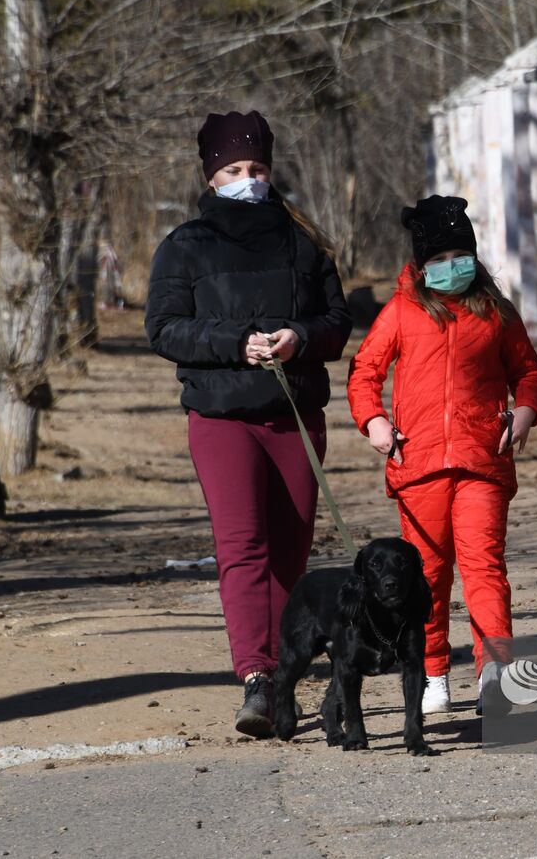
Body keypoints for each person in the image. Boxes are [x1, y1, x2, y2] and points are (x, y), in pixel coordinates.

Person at [144, 109, 352, 737]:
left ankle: (288, 667)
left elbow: (338, 321)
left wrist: (298, 336)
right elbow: (164, 328)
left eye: (256, 168)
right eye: (233, 170)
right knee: (243, 548)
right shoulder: (184, 246)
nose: (247, 179)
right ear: (210, 177)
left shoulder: (303, 242)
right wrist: (237, 342)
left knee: (292, 549)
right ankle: (256, 678)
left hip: (293, 414)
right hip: (220, 416)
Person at [346, 195, 537, 716]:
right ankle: (433, 672)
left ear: (474, 259)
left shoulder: (496, 313)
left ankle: (494, 674)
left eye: (459, 255)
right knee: (427, 577)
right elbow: (365, 371)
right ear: (420, 265)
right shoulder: (401, 313)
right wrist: (374, 421)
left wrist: (525, 412)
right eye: (437, 259)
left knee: (484, 570)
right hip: (418, 467)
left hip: (483, 461)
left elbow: (528, 373)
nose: (449, 267)